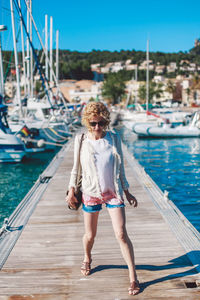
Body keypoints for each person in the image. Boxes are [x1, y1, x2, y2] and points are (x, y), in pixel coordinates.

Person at [66, 102, 140, 296]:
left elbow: (121, 166)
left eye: (100, 123)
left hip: (113, 192)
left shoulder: (114, 138)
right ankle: (87, 257)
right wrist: (71, 190)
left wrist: (127, 190)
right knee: (90, 235)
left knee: (121, 234)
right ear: (87, 123)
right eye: (93, 123)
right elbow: (76, 169)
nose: (97, 127)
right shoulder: (81, 139)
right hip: (90, 193)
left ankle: (133, 277)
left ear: (106, 122)